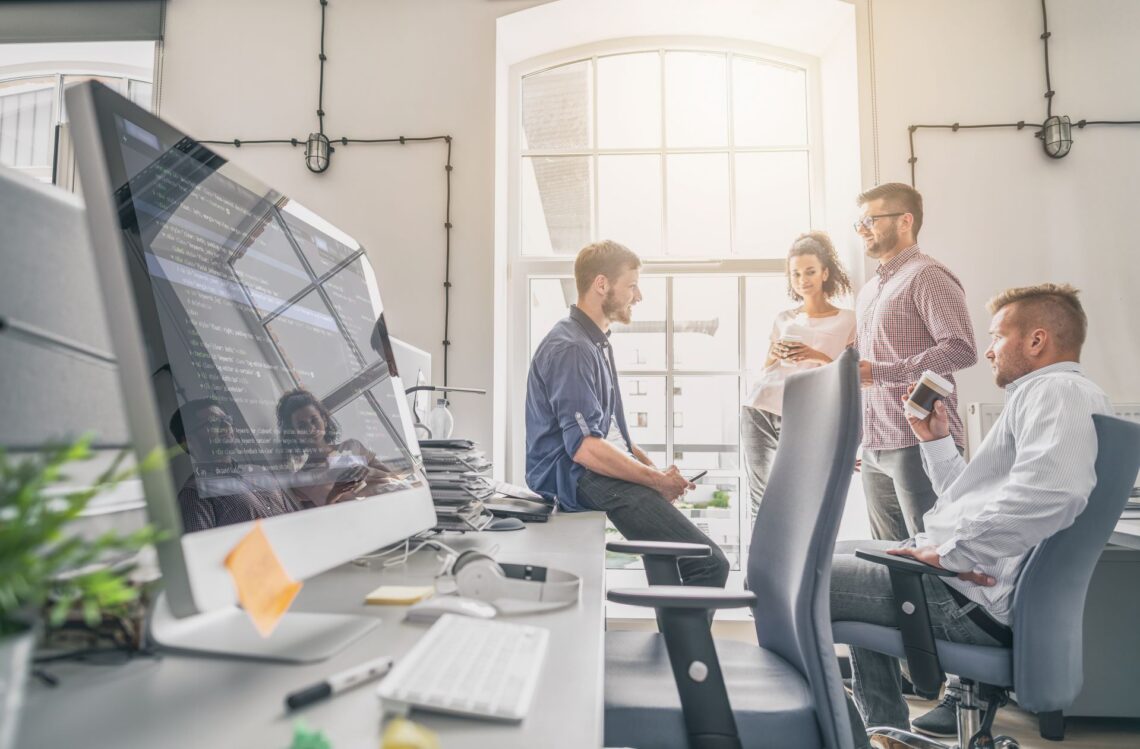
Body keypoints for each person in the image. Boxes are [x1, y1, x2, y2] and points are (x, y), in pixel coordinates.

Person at [832, 284, 1111, 745]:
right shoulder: (1047, 395)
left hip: (965, 600)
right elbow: (971, 500)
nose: (987, 351)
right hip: (965, 586)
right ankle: (888, 732)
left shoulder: (1058, 392)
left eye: (998, 336)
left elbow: (1054, 492)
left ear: (1036, 340)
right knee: (844, 552)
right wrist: (935, 440)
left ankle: (848, 736)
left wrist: (952, 553)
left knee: (807, 580)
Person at [525, 240, 729, 588]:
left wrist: (653, 471)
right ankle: (685, 646)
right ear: (601, 284)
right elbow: (585, 448)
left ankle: (674, 644)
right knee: (709, 564)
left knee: (668, 555)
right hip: (575, 476)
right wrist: (654, 481)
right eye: (632, 285)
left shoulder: (595, 343)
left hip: (589, 472)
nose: (639, 296)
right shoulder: (572, 348)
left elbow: (611, 436)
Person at [853, 183, 977, 543]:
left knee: (935, 554)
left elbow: (961, 349)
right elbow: (863, 375)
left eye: (869, 220)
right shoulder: (868, 291)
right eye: (858, 223)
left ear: (905, 220)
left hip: (919, 441)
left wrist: (880, 372)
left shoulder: (928, 276)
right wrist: (861, 440)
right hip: (875, 448)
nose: (862, 229)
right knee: (888, 558)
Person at [742, 231, 855, 521]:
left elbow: (850, 374)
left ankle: (797, 566)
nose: (803, 280)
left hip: (806, 412)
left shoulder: (848, 320)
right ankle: (762, 567)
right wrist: (778, 352)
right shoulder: (784, 317)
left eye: (810, 272)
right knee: (762, 499)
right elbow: (767, 367)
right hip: (761, 406)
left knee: (803, 497)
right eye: (796, 274)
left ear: (825, 273)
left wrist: (813, 354)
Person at [170, 397, 298, 533]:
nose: (226, 426)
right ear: (189, 441)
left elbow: (295, 519)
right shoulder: (193, 494)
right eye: (213, 422)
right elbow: (203, 551)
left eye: (226, 419)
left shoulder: (259, 471)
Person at [275, 388, 399, 508]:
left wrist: (368, 471)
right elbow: (321, 518)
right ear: (294, 432)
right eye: (302, 426)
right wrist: (335, 492)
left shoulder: (352, 446)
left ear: (324, 420)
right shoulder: (300, 480)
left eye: (314, 420)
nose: (311, 429)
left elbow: (394, 478)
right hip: (363, 518)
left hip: (396, 497)